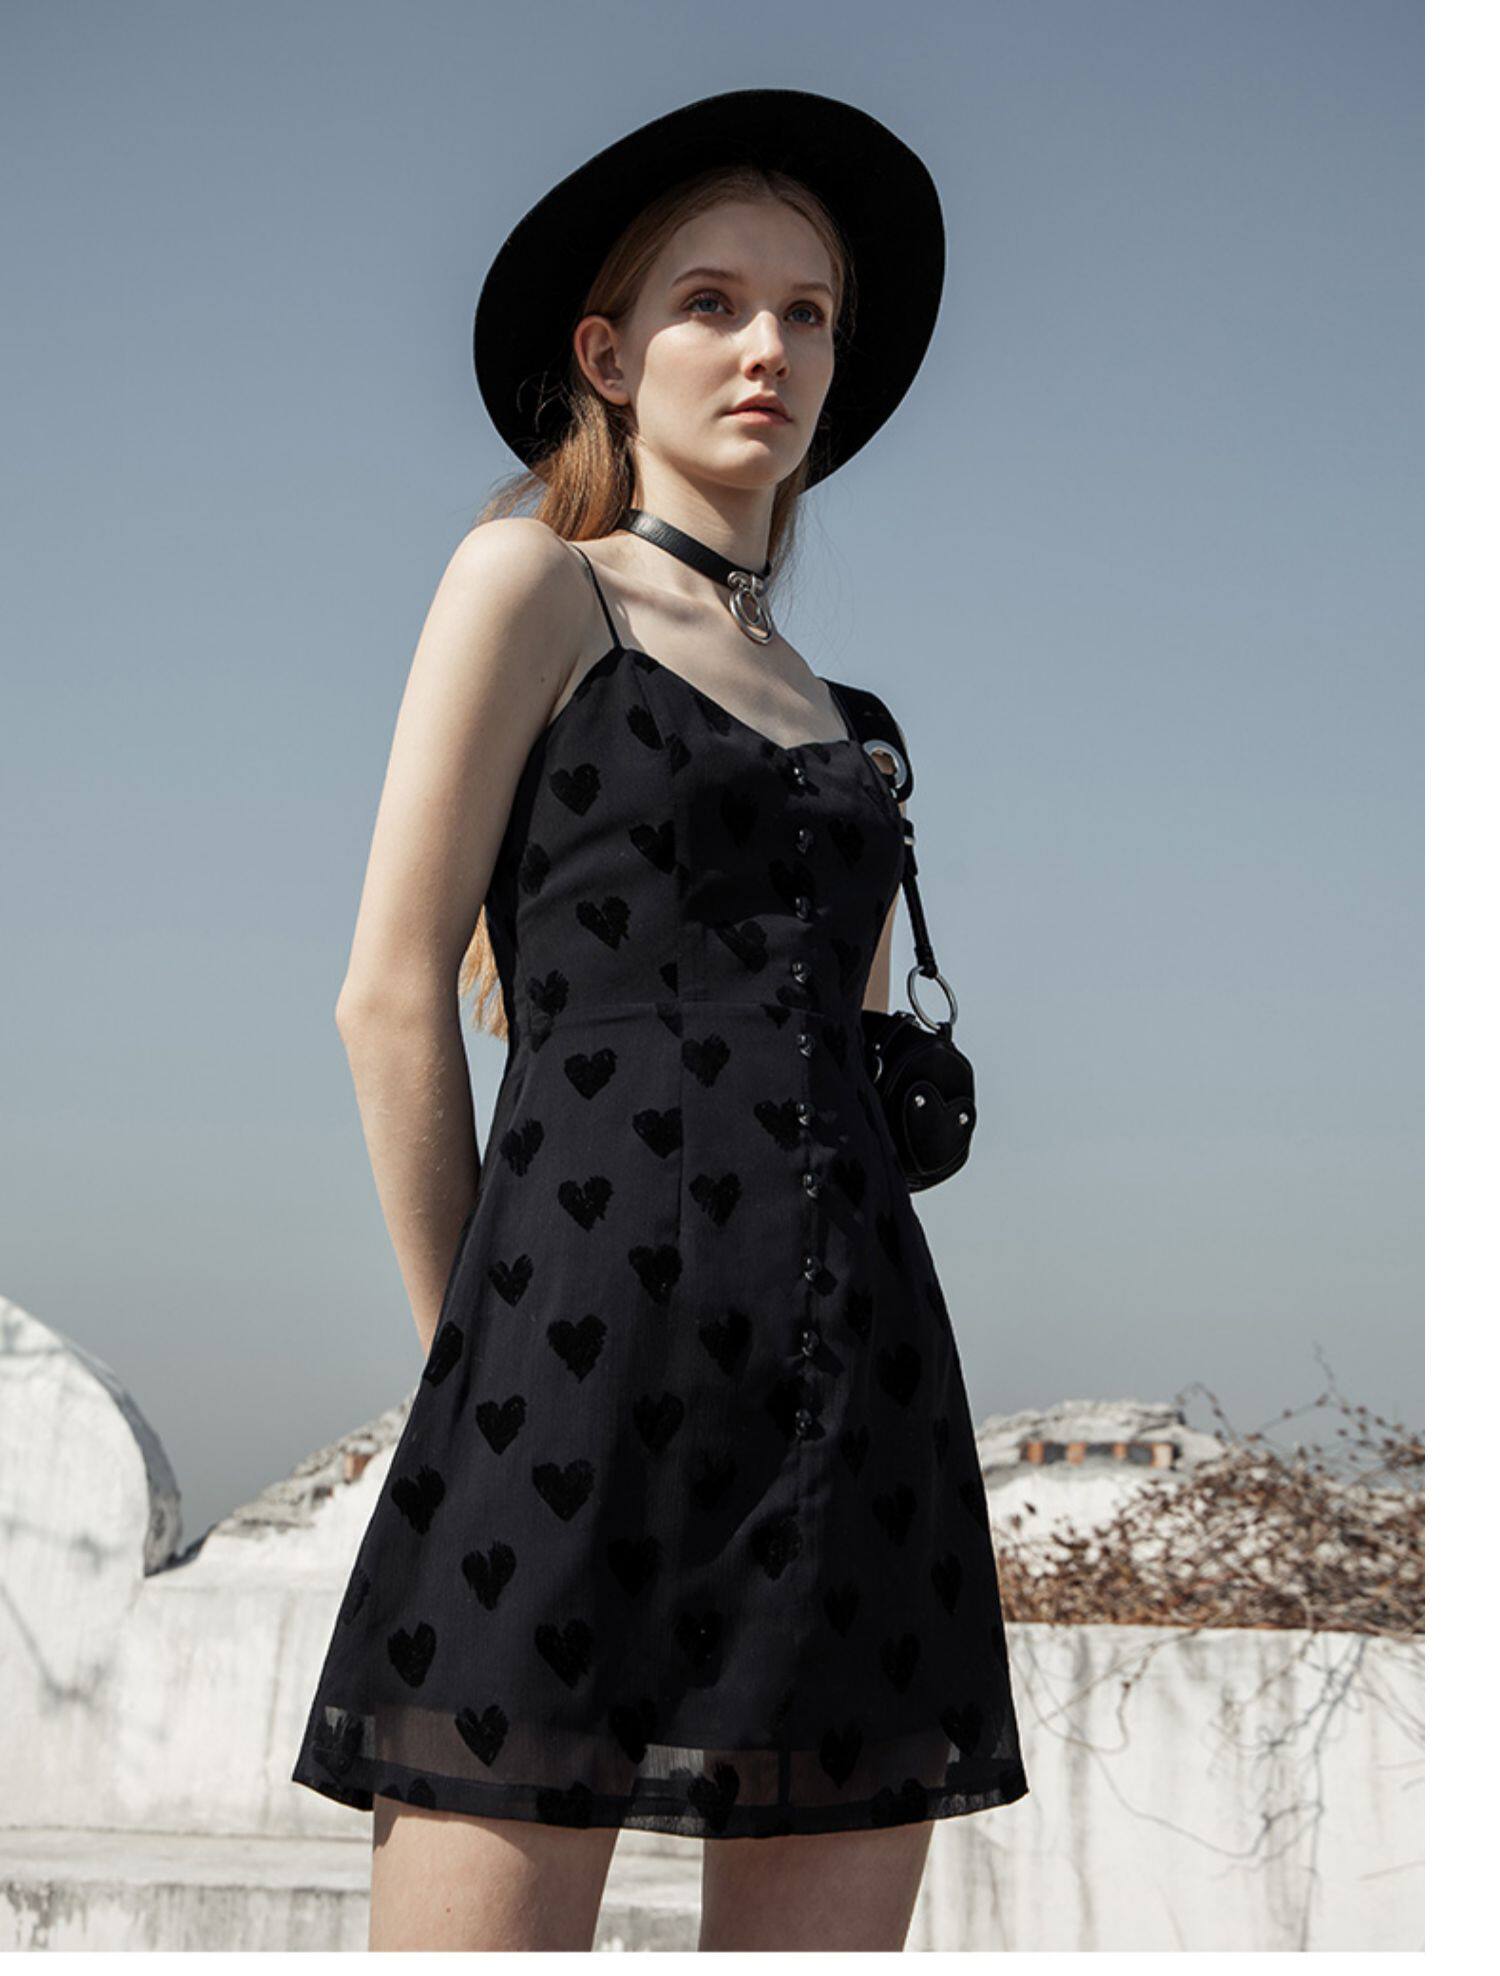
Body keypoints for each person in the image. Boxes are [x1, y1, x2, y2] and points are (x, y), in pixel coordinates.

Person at [290, 87, 1028, 1951]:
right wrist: (473, 1367)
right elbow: (390, 995)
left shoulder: (849, 720)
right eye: (713, 302)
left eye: (809, 312)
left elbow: (842, 1052)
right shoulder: (534, 583)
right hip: (562, 1362)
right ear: (609, 358)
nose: (770, 346)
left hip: (855, 1392)